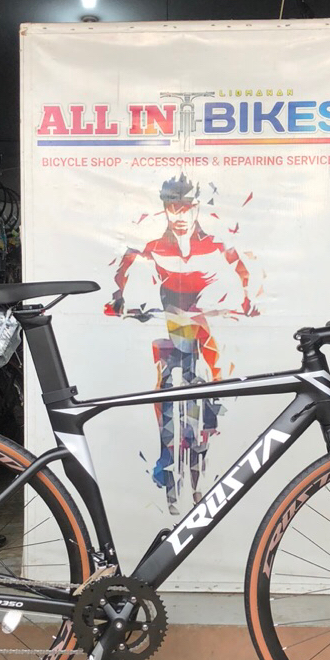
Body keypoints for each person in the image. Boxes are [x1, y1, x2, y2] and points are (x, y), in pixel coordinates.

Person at [104, 173, 260, 512]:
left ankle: (209, 422)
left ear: (197, 208)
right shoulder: (151, 241)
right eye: (172, 207)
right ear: (164, 208)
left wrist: (249, 300)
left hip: (204, 313)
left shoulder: (216, 240)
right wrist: (117, 300)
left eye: (186, 207)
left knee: (217, 375)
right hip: (168, 314)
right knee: (161, 383)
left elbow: (244, 271)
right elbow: (123, 271)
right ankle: (167, 451)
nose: (179, 215)